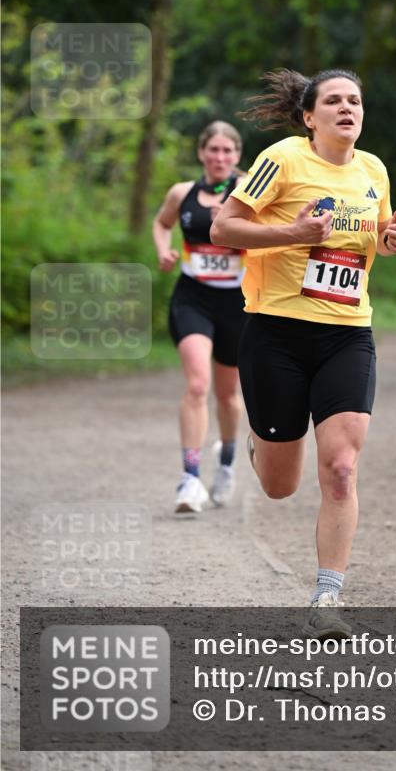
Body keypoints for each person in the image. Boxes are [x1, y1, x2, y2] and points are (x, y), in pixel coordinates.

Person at [211, 69, 396, 635]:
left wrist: (388, 241)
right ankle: (261, 441)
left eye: (355, 100)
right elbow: (224, 228)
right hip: (275, 332)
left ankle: (327, 598)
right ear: (308, 116)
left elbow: (374, 235)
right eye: (335, 101)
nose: (348, 108)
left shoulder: (373, 170)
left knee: (342, 469)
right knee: (280, 486)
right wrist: (291, 235)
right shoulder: (282, 160)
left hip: (347, 333)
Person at [152, 121, 246, 515]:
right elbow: (162, 223)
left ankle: (226, 463)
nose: (220, 157)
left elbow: (276, 235)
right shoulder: (182, 192)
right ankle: (190, 478)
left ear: (238, 155)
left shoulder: (250, 191)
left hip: (238, 303)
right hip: (193, 298)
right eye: (214, 150)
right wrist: (164, 251)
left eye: (228, 151)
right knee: (196, 385)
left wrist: (241, 228)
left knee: (227, 395)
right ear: (201, 153)